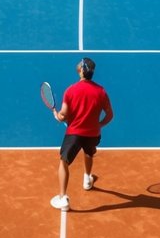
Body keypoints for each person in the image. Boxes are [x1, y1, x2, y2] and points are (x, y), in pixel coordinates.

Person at [49, 57, 114, 212]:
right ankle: (87, 179)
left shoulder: (71, 90)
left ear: (81, 71)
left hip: (74, 133)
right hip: (93, 134)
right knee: (88, 153)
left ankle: (63, 198)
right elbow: (110, 115)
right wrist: (99, 125)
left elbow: (63, 115)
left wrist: (56, 115)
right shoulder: (101, 91)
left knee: (64, 162)